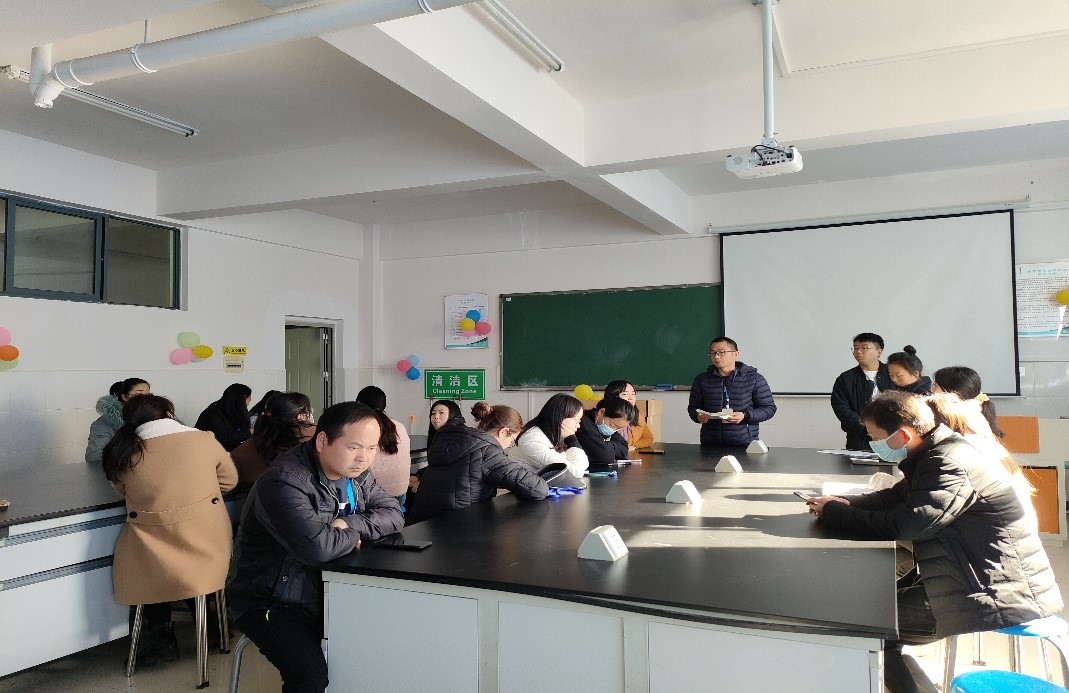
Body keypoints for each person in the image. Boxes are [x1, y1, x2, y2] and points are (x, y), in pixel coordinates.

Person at [806, 391, 1062, 693]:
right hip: (968, 577)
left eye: (876, 438)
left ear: (903, 435)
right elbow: (897, 496)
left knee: (867, 625)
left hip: (992, 591)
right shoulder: (935, 453)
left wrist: (836, 513)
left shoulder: (947, 461)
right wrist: (846, 502)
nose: (874, 444)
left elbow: (907, 524)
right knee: (872, 606)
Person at [227, 401, 404, 693]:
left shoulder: (357, 474)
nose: (364, 458)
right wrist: (353, 536)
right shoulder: (284, 480)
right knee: (311, 677)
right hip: (270, 598)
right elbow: (317, 548)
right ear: (322, 441)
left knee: (379, 645)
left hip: (325, 589)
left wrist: (347, 524)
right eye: (354, 447)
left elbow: (394, 514)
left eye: (372, 448)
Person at [102, 395, 237, 666]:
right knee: (192, 567)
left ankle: (162, 635)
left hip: (151, 544)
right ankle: (211, 625)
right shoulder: (202, 440)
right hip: (206, 544)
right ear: (169, 412)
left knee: (153, 567)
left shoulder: (123, 451)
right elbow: (230, 481)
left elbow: (124, 490)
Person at [408, 402, 548, 524]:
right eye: (512, 441)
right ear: (504, 432)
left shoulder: (453, 439)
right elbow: (537, 489)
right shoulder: (487, 451)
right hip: (453, 530)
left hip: (421, 525)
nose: (510, 445)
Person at [687, 337, 777, 447]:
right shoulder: (702, 380)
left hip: (744, 444)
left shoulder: (754, 378)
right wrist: (698, 416)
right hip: (710, 444)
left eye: (721, 352)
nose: (716, 356)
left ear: (735, 354)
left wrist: (745, 415)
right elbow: (693, 408)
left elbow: (769, 408)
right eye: (713, 353)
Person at [230, 392, 316, 489]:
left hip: (238, 493)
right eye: (309, 411)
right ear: (300, 417)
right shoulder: (309, 437)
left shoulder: (257, 439)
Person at [831, 332, 893, 450]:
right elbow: (841, 407)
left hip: (892, 435)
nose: (858, 351)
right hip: (858, 438)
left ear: (879, 352)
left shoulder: (892, 374)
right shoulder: (846, 378)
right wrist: (866, 426)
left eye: (864, 348)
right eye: (856, 348)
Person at [356, 385, 411, 509]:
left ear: (358, 404)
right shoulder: (399, 426)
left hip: (373, 497)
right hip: (401, 494)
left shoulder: (362, 428)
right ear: (384, 405)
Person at [511, 393, 589, 478]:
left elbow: (584, 465)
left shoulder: (553, 437)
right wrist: (572, 440)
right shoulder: (532, 440)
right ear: (560, 417)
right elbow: (575, 473)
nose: (578, 425)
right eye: (576, 420)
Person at [85, 377, 150, 464]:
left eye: (148, 394)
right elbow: (94, 457)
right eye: (139, 394)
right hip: (120, 470)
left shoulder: (151, 417)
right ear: (125, 397)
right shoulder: (103, 424)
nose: (146, 398)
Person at [933, 365, 1005, 439]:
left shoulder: (960, 419)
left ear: (951, 392)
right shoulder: (972, 412)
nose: (931, 390)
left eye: (935, 386)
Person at [575, 396, 637, 465]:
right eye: (612, 425)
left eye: (618, 428)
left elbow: (624, 447)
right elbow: (604, 456)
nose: (613, 430)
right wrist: (610, 447)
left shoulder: (606, 425)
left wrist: (606, 446)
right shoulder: (583, 424)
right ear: (601, 412)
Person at [195, 383, 253, 451]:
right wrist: (250, 431)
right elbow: (226, 438)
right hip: (203, 453)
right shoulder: (212, 414)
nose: (245, 409)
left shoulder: (230, 414)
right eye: (244, 406)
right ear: (238, 403)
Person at [604, 379, 654, 450]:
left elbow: (648, 438)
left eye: (633, 394)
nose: (631, 398)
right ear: (613, 397)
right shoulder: (606, 418)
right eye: (625, 394)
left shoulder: (638, 415)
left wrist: (633, 446)